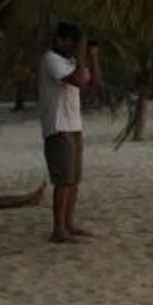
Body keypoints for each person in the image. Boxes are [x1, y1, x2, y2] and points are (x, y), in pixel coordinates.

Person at [40, 22, 98, 244]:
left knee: (74, 180)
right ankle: (58, 228)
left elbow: (93, 84)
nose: (74, 47)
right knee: (63, 180)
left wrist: (93, 56)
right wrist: (82, 53)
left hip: (74, 126)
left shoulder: (70, 62)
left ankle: (68, 223)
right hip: (58, 127)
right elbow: (78, 80)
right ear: (59, 39)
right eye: (71, 42)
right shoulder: (51, 59)